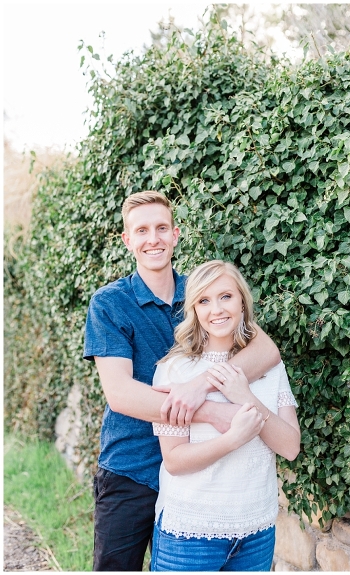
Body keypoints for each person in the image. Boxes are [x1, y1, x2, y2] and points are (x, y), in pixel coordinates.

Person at [84, 191, 281, 571]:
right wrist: (209, 412)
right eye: (141, 230)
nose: (152, 238)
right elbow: (121, 394)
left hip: (200, 476)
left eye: (161, 228)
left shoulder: (202, 294)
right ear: (128, 241)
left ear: (176, 235)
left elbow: (267, 349)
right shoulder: (109, 303)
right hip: (133, 468)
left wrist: (199, 385)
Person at [149, 260, 300, 571]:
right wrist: (231, 440)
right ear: (194, 309)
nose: (216, 309)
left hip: (256, 531)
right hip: (190, 534)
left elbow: (290, 447)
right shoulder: (174, 370)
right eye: (204, 300)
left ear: (242, 300)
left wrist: (245, 397)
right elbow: (175, 460)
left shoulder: (270, 366)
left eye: (226, 296)